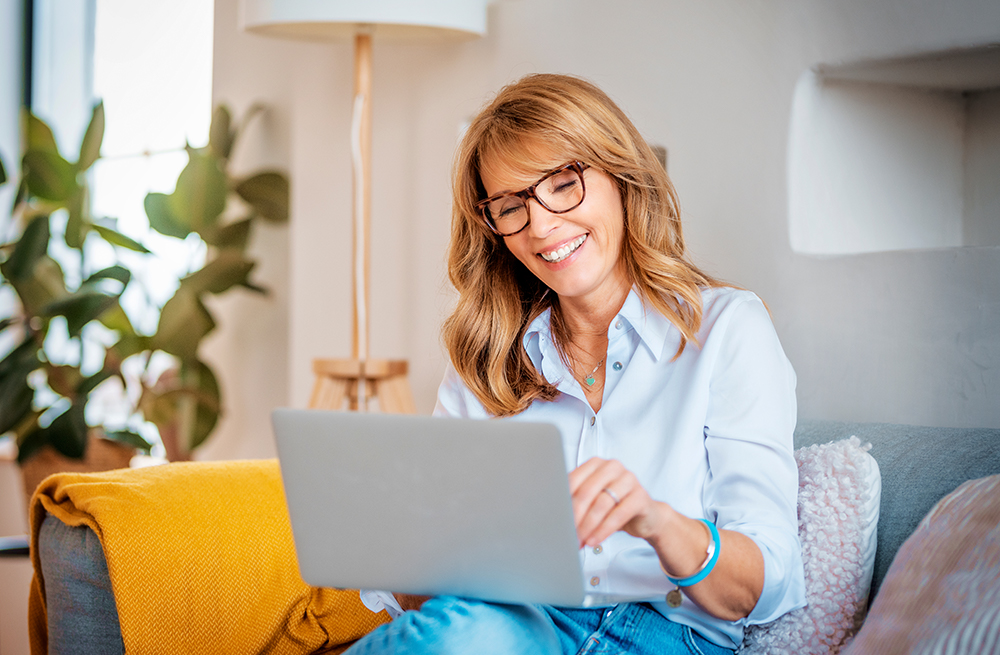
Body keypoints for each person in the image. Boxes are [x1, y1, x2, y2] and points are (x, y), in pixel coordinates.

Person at [346, 73, 805, 655]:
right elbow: (420, 602)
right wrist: (415, 555)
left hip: (667, 633)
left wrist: (657, 522)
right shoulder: (486, 358)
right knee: (468, 634)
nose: (541, 225)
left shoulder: (726, 329)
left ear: (620, 176)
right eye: (510, 206)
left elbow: (762, 585)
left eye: (562, 185)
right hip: (512, 626)